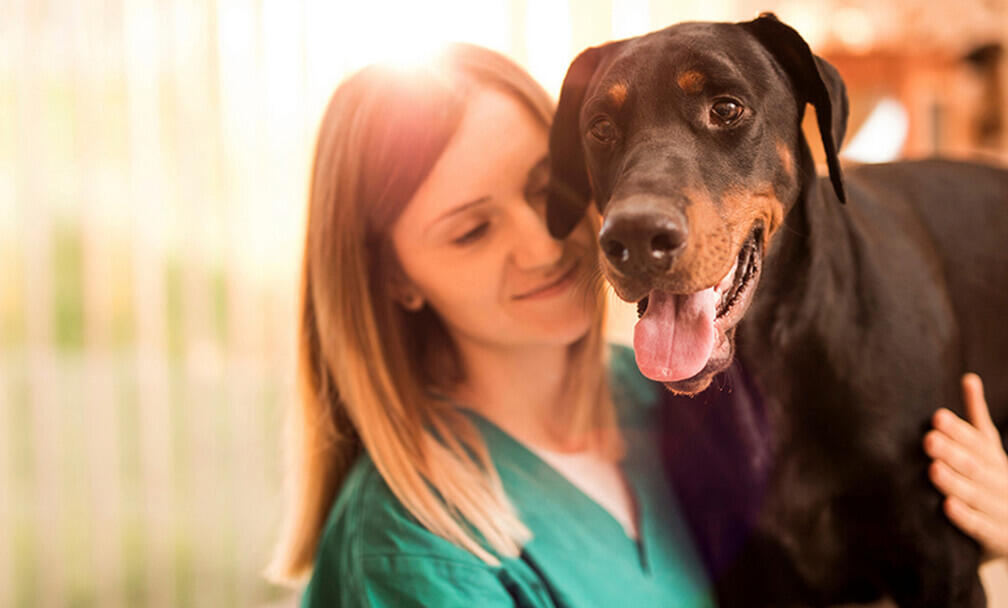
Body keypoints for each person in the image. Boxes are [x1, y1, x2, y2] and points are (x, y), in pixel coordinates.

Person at [267, 43, 1008, 606]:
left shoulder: (663, 396)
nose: (545, 243)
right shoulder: (416, 559)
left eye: (548, 191)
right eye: (471, 231)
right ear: (394, 278)